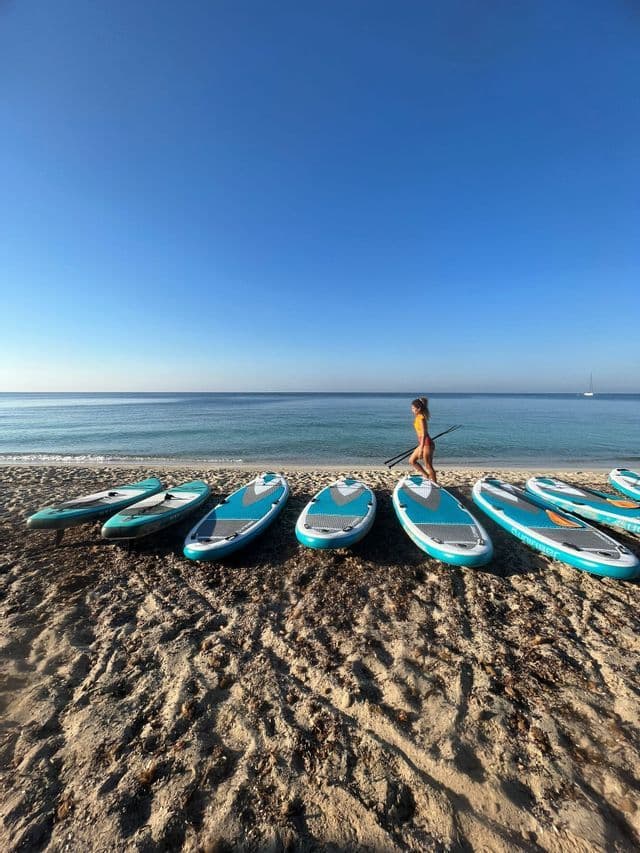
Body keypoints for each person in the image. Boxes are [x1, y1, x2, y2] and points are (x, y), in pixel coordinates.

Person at [409, 397, 437, 482]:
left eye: (413, 408)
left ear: (419, 409)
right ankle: (426, 476)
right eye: (412, 408)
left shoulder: (421, 418)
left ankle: (435, 484)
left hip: (426, 444)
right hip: (422, 443)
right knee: (412, 461)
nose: (412, 410)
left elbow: (424, 433)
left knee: (428, 466)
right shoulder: (418, 416)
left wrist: (421, 448)